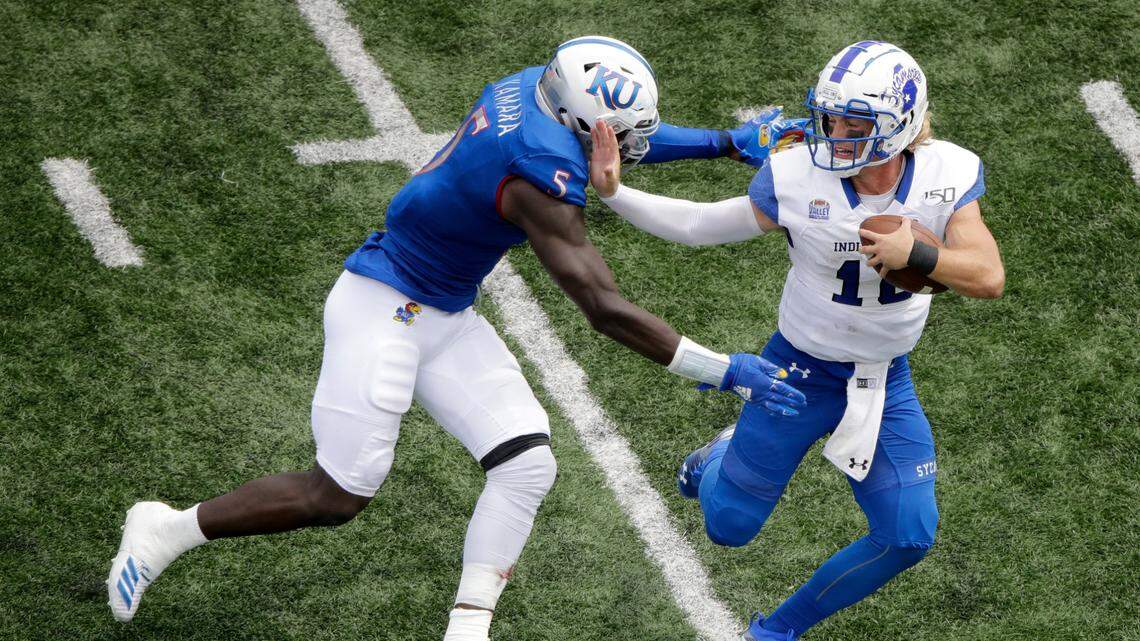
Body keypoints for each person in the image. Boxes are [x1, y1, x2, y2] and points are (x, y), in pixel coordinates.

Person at [106, 36, 808, 641]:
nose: (630, 145)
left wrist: (723, 143)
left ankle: (467, 628)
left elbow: (606, 139)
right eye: (624, 133)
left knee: (526, 464)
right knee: (337, 493)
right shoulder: (539, 176)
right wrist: (722, 369)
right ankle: (168, 527)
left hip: (441, 309)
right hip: (383, 306)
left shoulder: (536, 88)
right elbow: (603, 308)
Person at [589, 41, 1004, 640]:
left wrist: (915, 253)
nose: (836, 134)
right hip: (796, 372)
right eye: (831, 118)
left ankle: (776, 631)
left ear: (901, 122)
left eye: (855, 123)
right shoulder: (795, 174)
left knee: (908, 535)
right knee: (728, 527)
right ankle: (716, 456)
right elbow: (701, 225)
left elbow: (988, 277)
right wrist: (614, 193)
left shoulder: (949, 172)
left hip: (883, 378)